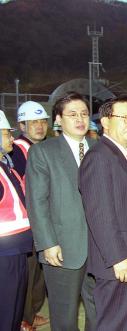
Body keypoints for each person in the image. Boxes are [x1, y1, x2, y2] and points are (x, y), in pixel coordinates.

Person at [79, 96, 127, 331]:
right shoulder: (100, 157)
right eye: (125, 118)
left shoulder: (125, 155)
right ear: (105, 122)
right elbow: (100, 213)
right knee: (115, 324)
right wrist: (117, 258)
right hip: (120, 264)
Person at [25, 92, 97, 331]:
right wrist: (47, 243)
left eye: (85, 114)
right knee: (65, 316)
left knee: (100, 311)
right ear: (58, 119)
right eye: (73, 114)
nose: (80, 119)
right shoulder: (44, 152)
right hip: (63, 248)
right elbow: (37, 201)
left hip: (101, 248)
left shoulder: (100, 148)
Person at [10, 100, 49, 331]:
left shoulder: (38, 148)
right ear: (22, 126)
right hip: (26, 224)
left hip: (39, 222)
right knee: (27, 273)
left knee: (37, 273)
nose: (39, 126)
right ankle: (23, 318)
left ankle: (30, 313)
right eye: (33, 122)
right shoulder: (17, 150)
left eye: (42, 121)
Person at [0, 110, 33, 331]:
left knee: (13, 310)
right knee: (6, 311)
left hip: (17, 249)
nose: (11, 138)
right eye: (5, 134)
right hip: (4, 255)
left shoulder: (4, 165)